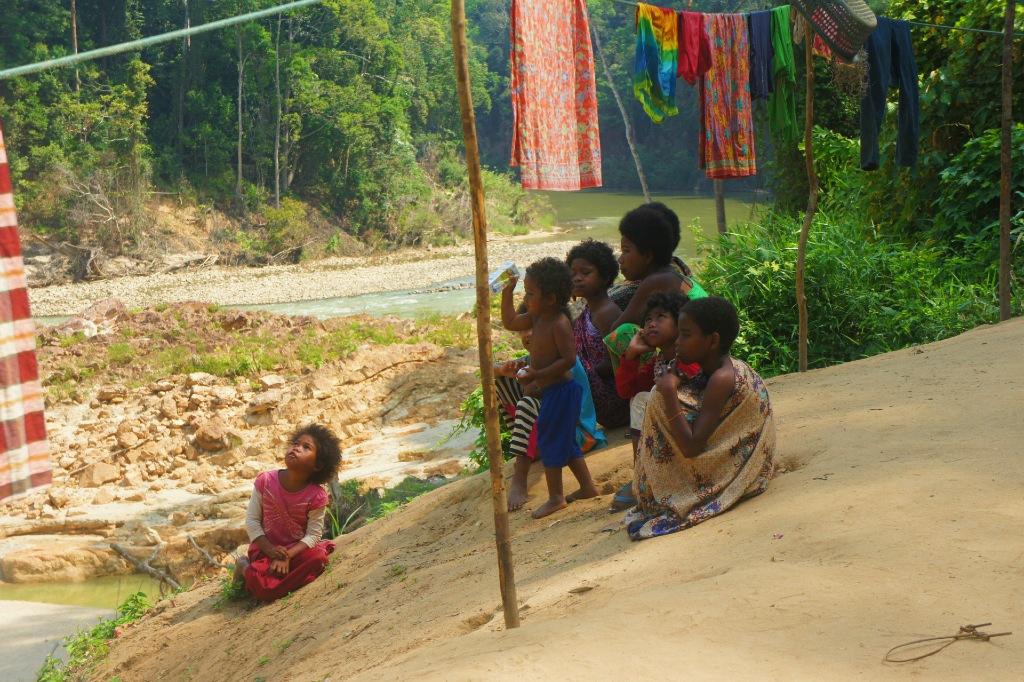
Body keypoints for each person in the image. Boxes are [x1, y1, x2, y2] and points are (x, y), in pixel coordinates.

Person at [623, 296, 776, 540]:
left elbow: (692, 446)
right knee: (657, 396)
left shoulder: (722, 378)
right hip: (722, 451)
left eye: (685, 334)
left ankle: (667, 489)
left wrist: (670, 391)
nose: (677, 341)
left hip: (736, 468)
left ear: (712, 341)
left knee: (659, 398)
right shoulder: (714, 370)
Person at [501, 257, 600, 519]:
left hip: (562, 391)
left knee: (551, 441)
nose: (527, 297)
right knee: (566, 443)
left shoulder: (558, 323)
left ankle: (556, 497)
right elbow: (510, 322)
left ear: (551, 298)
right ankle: (588, 487)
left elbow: (568, 360)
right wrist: (507, 292)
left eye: (530, 293)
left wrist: (537, 374)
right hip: (553, 392)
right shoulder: (536, 317)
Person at [234, 424, 343, 601]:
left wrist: (287, 556)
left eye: (306, 447)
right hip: (264, 550)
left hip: (295, 552)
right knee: (266, 589)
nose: (296, 448)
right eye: (296, 443)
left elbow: (313, 535)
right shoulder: (266, 480)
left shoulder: (316, 495)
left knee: (317, 557)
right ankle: (244, 565)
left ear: (318, 465)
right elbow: (252, 522)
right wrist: (271, 551)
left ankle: (263, 581)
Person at [614, 292, 698, 482]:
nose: (651, 324)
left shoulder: (689, 357)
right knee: (640, 398)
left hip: (696, 425)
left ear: (680, 324)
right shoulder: (659, 363)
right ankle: (644, 470)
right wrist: (631, 355)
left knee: (644, 399)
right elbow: (626, 391)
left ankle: (643, 474)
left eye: (661, 317)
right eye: (648, 320)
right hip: (676, 424)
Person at [566, 239, 630, 429]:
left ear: (604, 276)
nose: (577, 278)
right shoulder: (588, 312)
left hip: (616, 401)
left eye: (585, 273)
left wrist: (584, 373)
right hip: (598, 394)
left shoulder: (606, 313)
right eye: (573, 274)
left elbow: (617, 363)